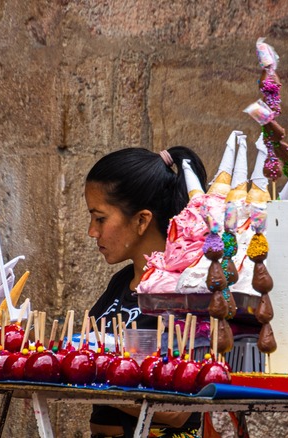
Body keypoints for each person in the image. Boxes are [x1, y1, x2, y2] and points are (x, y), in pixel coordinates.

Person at [85, 146, 207, 438]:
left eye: (99, 218)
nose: (92, 231)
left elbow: (177, 411)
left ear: (141, 220)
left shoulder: (185, 290)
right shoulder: (120, 283)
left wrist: (88, 378)